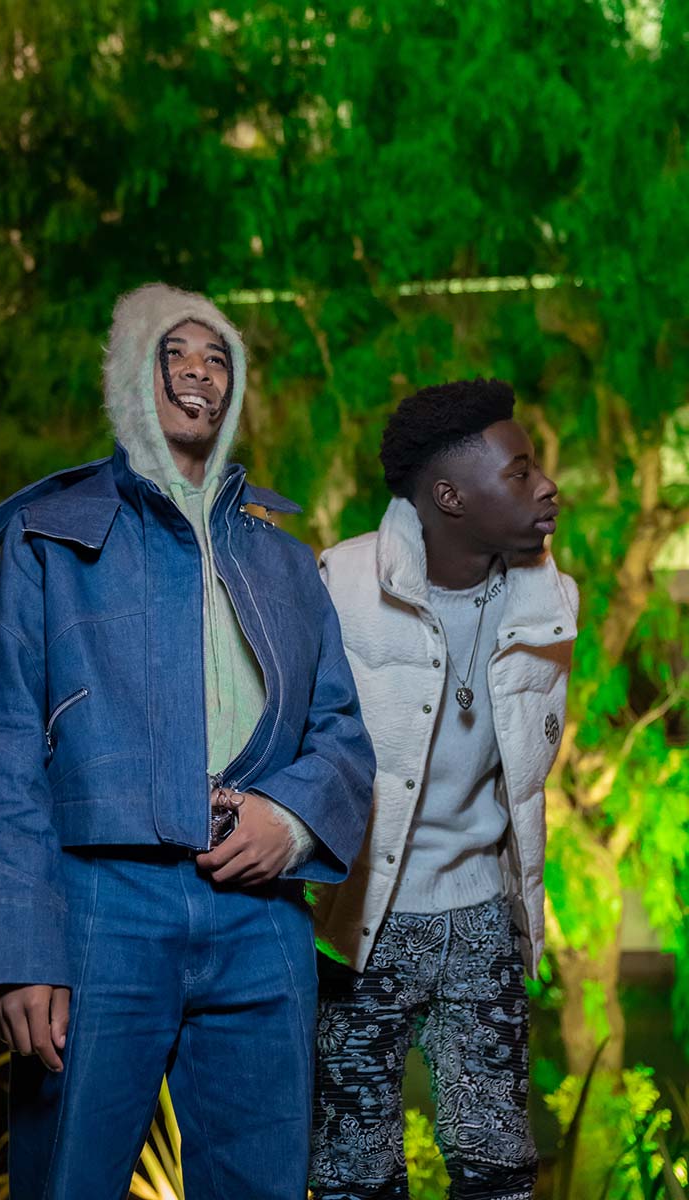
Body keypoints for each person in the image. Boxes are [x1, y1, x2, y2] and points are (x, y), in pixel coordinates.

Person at [0, 283, 375, 1200]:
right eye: (178, 353)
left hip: (261, 911)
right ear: (134, 372)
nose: (201, 371)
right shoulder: (49, 539)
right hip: (97, 906)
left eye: (219, 358)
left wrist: (290, 822)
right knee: (69, 1178)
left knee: (264, 1183)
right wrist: (20, 953)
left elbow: (340, 731)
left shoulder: (286, 560)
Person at [310, 379, 578, 1200]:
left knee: (498, 1165)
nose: (547, 487)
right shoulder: (340, 582)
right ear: (450, 497)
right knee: (353, 1169)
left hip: (482, 913)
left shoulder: (552, 601)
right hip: (361, 922)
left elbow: (526, 773)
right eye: (521, 472)